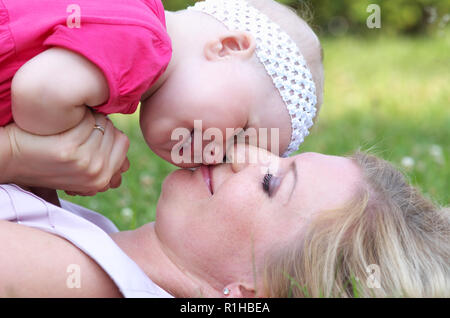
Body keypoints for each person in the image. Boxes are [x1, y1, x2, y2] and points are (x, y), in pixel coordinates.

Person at [0, 145, 448, 297]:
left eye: (270, 183)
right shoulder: (103, 257)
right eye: (280, 157)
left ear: (247, 292)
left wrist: (14, 151)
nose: (246, 155)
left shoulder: (78, 281)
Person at [0, 0, 324, 195]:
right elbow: (40, 90)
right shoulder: (145, 45)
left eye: (225, 159)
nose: (212, 156)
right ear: (228, 47)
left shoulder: (135, 25)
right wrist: (62, 152)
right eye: (240, 133)